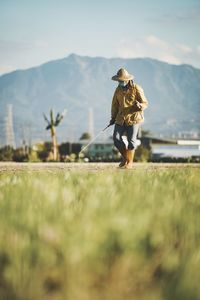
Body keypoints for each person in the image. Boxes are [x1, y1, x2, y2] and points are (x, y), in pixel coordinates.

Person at [109, 68, 148, 169]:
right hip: (120, 118)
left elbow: (145, 103)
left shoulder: (136, 88)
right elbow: (115, 105)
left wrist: (140, 105)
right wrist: (113, 118)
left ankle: (129, 162)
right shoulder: (117, 90)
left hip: (134, 119)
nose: (120, 82)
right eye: (119, 81)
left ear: (127, 80)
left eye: (121, 81)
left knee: (131, 141)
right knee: (116, 138)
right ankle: (125, 158)